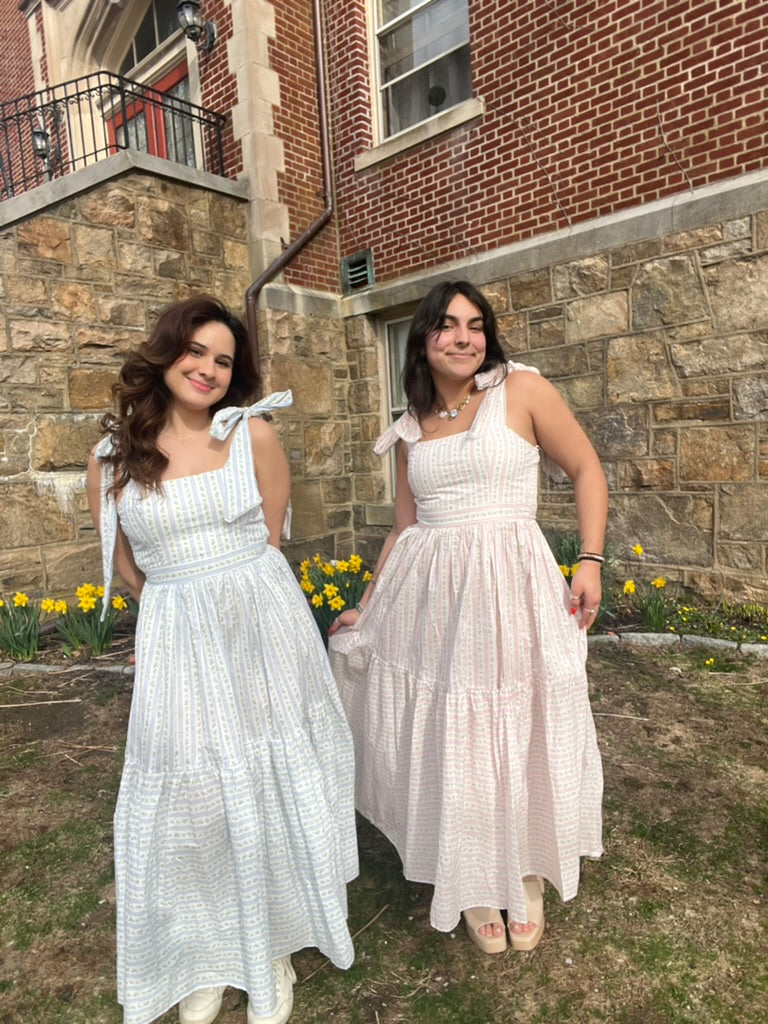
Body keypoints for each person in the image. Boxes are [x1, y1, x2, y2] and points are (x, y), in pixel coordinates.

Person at [86, 296, 358, 1024]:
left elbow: (269, 539)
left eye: (224, 361)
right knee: (195, 797)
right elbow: (127, 565)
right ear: (166, 353)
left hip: (260, 630)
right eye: (196, 351)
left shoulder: (251, 434)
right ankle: (208, 951)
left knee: (264, 782)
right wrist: (176, 606)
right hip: (178, 636)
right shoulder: (113, 459)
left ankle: (270, 947)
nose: (208, 369)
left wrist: (227, 598)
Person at [328, 280, 606, 955]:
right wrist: (369, 602)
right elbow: (405, 528)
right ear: (423, 339)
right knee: (454, 730)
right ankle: (476, 874)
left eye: (476, 325)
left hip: (514, 588)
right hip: (435, 602)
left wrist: (590, 559)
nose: (464, 338)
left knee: (522, 719)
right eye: (448, 325)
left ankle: (527, 867)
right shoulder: (411, 425)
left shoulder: (523, 390)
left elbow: (586, 468)